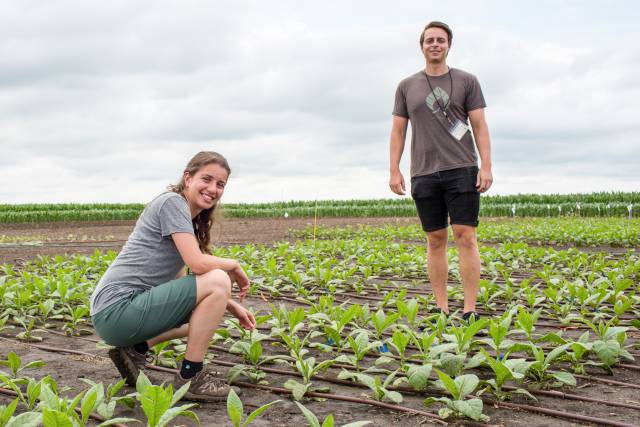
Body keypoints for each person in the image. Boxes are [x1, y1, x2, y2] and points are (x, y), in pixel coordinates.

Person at [90, 151, 256, 401]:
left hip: (117, 314)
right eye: (207, 179)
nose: (213, 188)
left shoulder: (186, 219)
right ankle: (191, 376)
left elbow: (179, 281)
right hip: (116, 309)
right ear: (188, 178)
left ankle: (135, 350)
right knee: (219, 278)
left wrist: (228, 304)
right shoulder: (172, 203)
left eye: (220, 184)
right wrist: (233, 265)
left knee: (205, 315)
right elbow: (198, 264)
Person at [389, 21, 493, 322]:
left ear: (449, 45)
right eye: (430, 40)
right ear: (422, 46)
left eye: (441, 40)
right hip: (423, 172)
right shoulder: (407, 86)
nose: (435, 44)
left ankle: (470, 309)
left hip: (461, 167)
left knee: (466, 236)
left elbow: (479, 126)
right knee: (435, 239)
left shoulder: (467, 81)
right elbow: (398, 131)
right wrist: (394, 169)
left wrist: (485, 165)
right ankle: (441, 307)